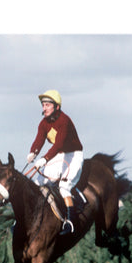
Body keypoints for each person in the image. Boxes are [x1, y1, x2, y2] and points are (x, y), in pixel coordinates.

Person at [26, 89, 84, 235]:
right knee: (38, 182)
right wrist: (33, 152)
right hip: (58, 156)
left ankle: (71, 222)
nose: (44, 108)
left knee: (64, 186)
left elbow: (58, 144)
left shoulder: (64, 121)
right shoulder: (43, 123)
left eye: (47, 105)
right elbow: (39, 139)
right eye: (43, 105)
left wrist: (44, 159)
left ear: (57, 107)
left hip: (73, 155)